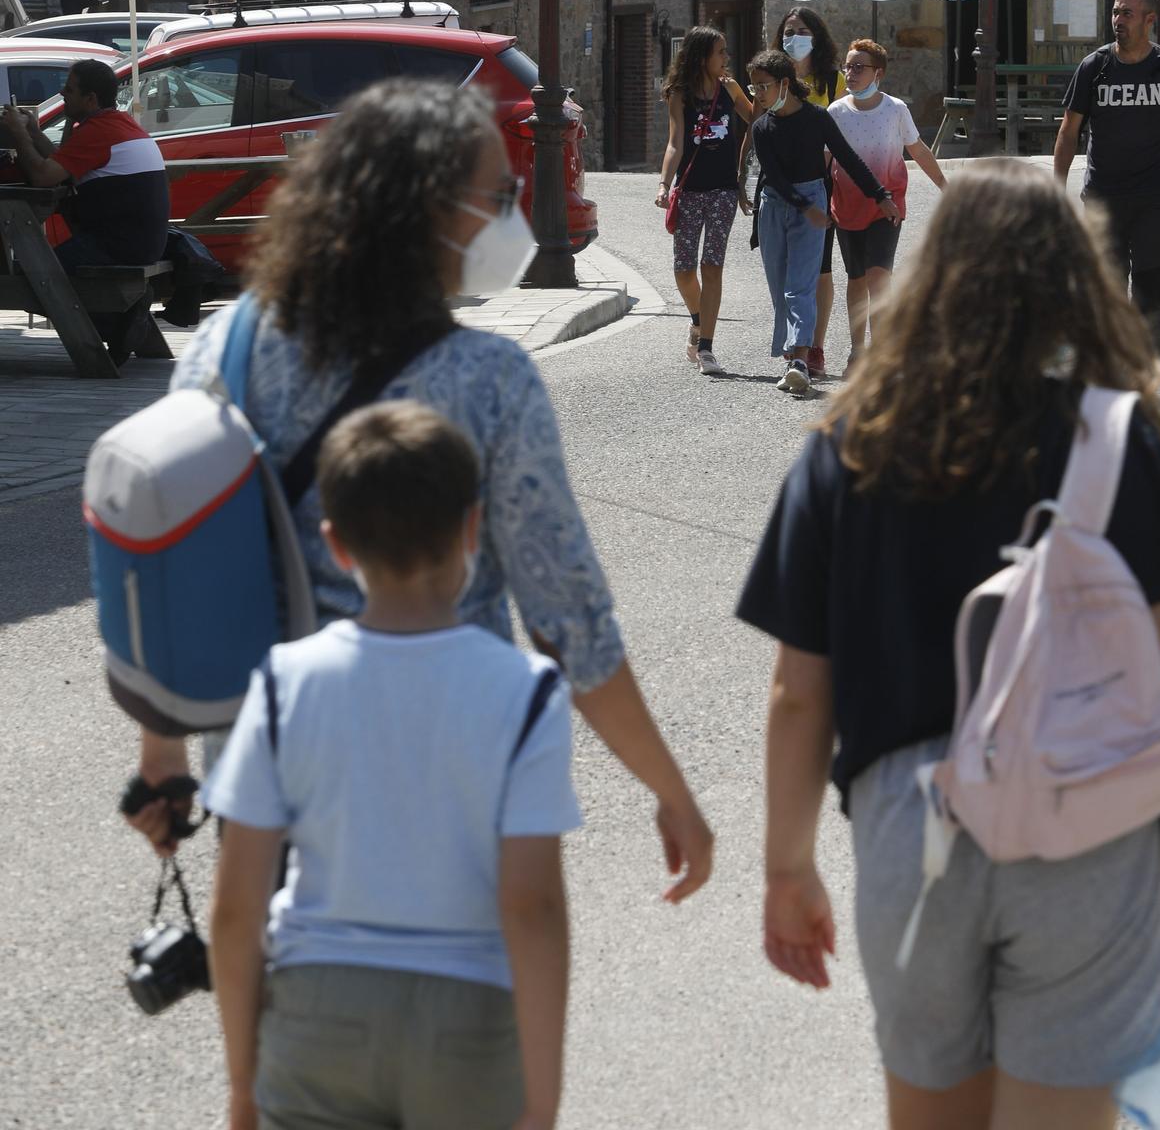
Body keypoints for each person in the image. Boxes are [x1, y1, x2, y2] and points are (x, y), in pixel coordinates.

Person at [737, 163, 1160, 1130]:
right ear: (1073, 281)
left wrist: (786, 867)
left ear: (935, 277)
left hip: (910, 833)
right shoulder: (1111, 439)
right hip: (1087, 826)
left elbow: (799, 694)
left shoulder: (849, 441)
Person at [124, 80, 713, 910]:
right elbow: (566, 616)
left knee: (293, 1012)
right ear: (423, 214)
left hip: (267, 771)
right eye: (497, 194)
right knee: (448, 1019)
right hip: (444, 782)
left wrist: (162, 759)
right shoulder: (485, 380)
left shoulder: (228, 343)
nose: (513, 212)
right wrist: (669, 788)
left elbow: (176, 552)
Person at [207, 400, 577, 1130]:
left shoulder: (282, 684)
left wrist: (244, 1085)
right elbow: (531, 907)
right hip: (465, 1016)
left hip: (317, 1011)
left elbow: (235, 907)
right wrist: (541, 1101)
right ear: (472, 529)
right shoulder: (526, 693)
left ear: (336, 544)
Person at [1054, 0, 1160, 355]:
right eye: (1116, 12)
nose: (1118, 20)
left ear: (1150, 20)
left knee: (1150, 292)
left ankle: (1145, 373)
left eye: (1127, 14)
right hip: (1103, 198)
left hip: (1156, 200)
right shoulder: (1094, 66)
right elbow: (1069, 132)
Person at [741, 48, 891, 396]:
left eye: (763, 87)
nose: (758, 95)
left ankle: (799, 361)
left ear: (784, 84)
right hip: (775, 205)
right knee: (779, 287)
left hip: (812, 198)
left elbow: (848, 157)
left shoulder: (818, 118)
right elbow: (773, 177)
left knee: (801, 285)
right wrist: (800, 206)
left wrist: (879, 194)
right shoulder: (762, 127)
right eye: (753, 88)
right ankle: (792, 353)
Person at [1, 58, 168, 363]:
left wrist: (19, 134)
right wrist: (36, 133)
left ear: (91, 99)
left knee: (32, 277)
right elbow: (64, 165)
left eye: (70, 90)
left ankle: (118, 321)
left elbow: (42, 177)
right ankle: (123, 317)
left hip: (119, 246)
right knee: (41, 272)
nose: (63, 93)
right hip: (143, 241)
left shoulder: (98, 132)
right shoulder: (116, 124)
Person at [828, 38, 948, 367]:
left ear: (877, 73)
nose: (850, 73)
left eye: (858, 67)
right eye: (847, 66)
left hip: (887, 207)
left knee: (878, 275)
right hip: (846, 208)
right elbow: (823, 161)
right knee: (856, 278)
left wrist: (944, 185)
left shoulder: (895, 109)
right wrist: (818, 203)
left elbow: (918, 149)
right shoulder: (835, 113)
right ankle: (857, 349)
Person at [654, 26, 753, 375]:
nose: (726, 57)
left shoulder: (730, 88)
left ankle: (707, 347)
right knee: (683, 270)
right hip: (691, 190)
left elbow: (756, 119)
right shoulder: (680, 94)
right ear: (701, 56)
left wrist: (745, 169)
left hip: (723, 191)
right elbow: (675, 142)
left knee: (712, 267)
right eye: (720, 51)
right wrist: (665, 184)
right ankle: (698, 321)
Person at [771, 7, 845, 377]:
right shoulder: (773, 80)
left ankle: (814, 345)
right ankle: (794, 341)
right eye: (788, 30)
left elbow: (841, 133)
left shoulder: (833, 82)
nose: (793, 36)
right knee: (785, 268)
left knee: (819, 269)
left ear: (816, 36)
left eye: (801, 30)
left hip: (821, 183)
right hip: (779, 184)